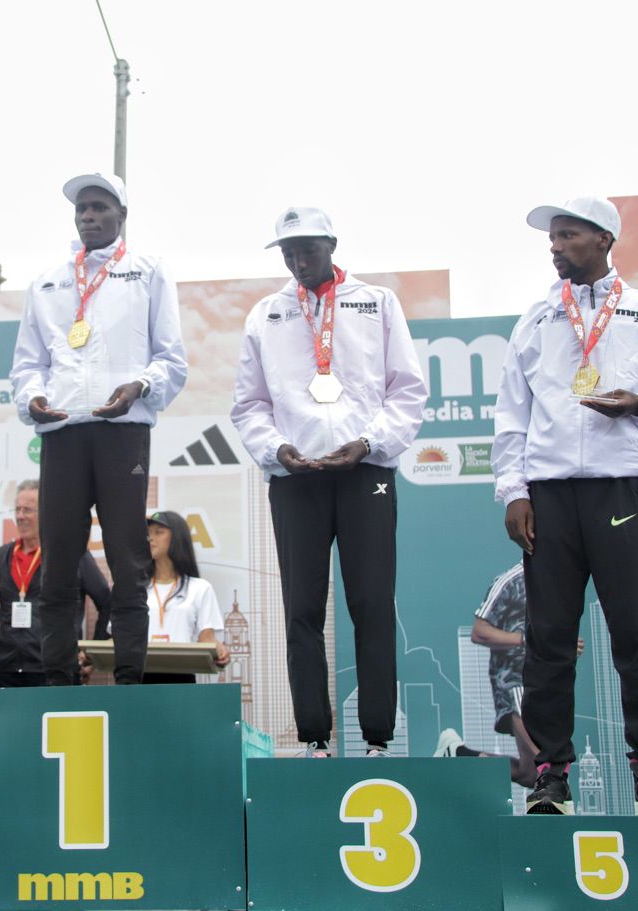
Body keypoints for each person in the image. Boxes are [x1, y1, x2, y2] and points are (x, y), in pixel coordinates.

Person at [493, 196, 638, 815]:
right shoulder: (535, 318)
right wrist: (514, 492)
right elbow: (512, 417)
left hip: (623, 488)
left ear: (604, 239)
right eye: (552, 237)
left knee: (636, 635)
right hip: (550, 495)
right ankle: (551, 777)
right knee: (548, 639)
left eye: (567, 235)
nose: (554, 246)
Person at [231, 206, 426, 758]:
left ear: (332, 245)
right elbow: (249, 404)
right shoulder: (265, 315)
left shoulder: (377, 302)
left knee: (370, 603)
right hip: (296, 477)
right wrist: (276, 450)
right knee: (302, 608)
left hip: (365, 471)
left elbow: (406, 390)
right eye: (288, 252)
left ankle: (378, 739)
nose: (297, 260)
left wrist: (369, 444)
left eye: (308, 249)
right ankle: (315, 737)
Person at [10, 171, 186, 685]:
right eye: (81, 208)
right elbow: (27, 364)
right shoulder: (46, 281)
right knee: (59, 564)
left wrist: (137, 387)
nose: (88, 215)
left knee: (128, 562)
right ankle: (58, 680)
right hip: (62, 433)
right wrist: (32, 399)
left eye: (99, 207)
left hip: (121, 430)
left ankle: (130, 678)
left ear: (121, 216)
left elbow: (171, 358)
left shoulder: (148, 271)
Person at [434, 564, 583, 787]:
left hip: (546, 683)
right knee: (547, 765)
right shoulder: (511, 579)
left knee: (530, 773)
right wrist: (529, 641)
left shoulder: (561, 577)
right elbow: (479, 631)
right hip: (515, 680)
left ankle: (458, 753)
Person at [0, 480, 112, 687]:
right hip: (7, 667)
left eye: (27, 510)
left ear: (47, 512)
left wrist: (92, 652)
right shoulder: (1, 556)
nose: (20, 516)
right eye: (17, 510)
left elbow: (108, 602)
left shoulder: (72, 554)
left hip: (54, 668)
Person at [142, 511, 229, 685]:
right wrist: (91, 654)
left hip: (181, 677)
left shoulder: (199, 588)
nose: (151, 538)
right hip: (140, 676)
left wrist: (218, 649)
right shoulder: (135, 589)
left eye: (159, 532)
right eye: (148, 534)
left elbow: (207, 639)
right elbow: (119, 638)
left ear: (177, 539)